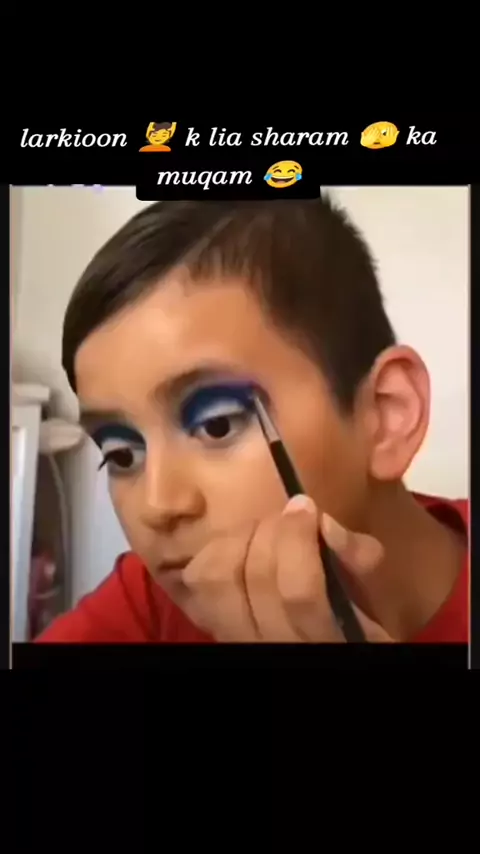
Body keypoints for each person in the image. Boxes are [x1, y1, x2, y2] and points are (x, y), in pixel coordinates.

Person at [37, 197, 469, 644]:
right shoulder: (155, 598)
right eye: (122, 455)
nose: (158, 505)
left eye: (218, 426)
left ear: (387, 414)